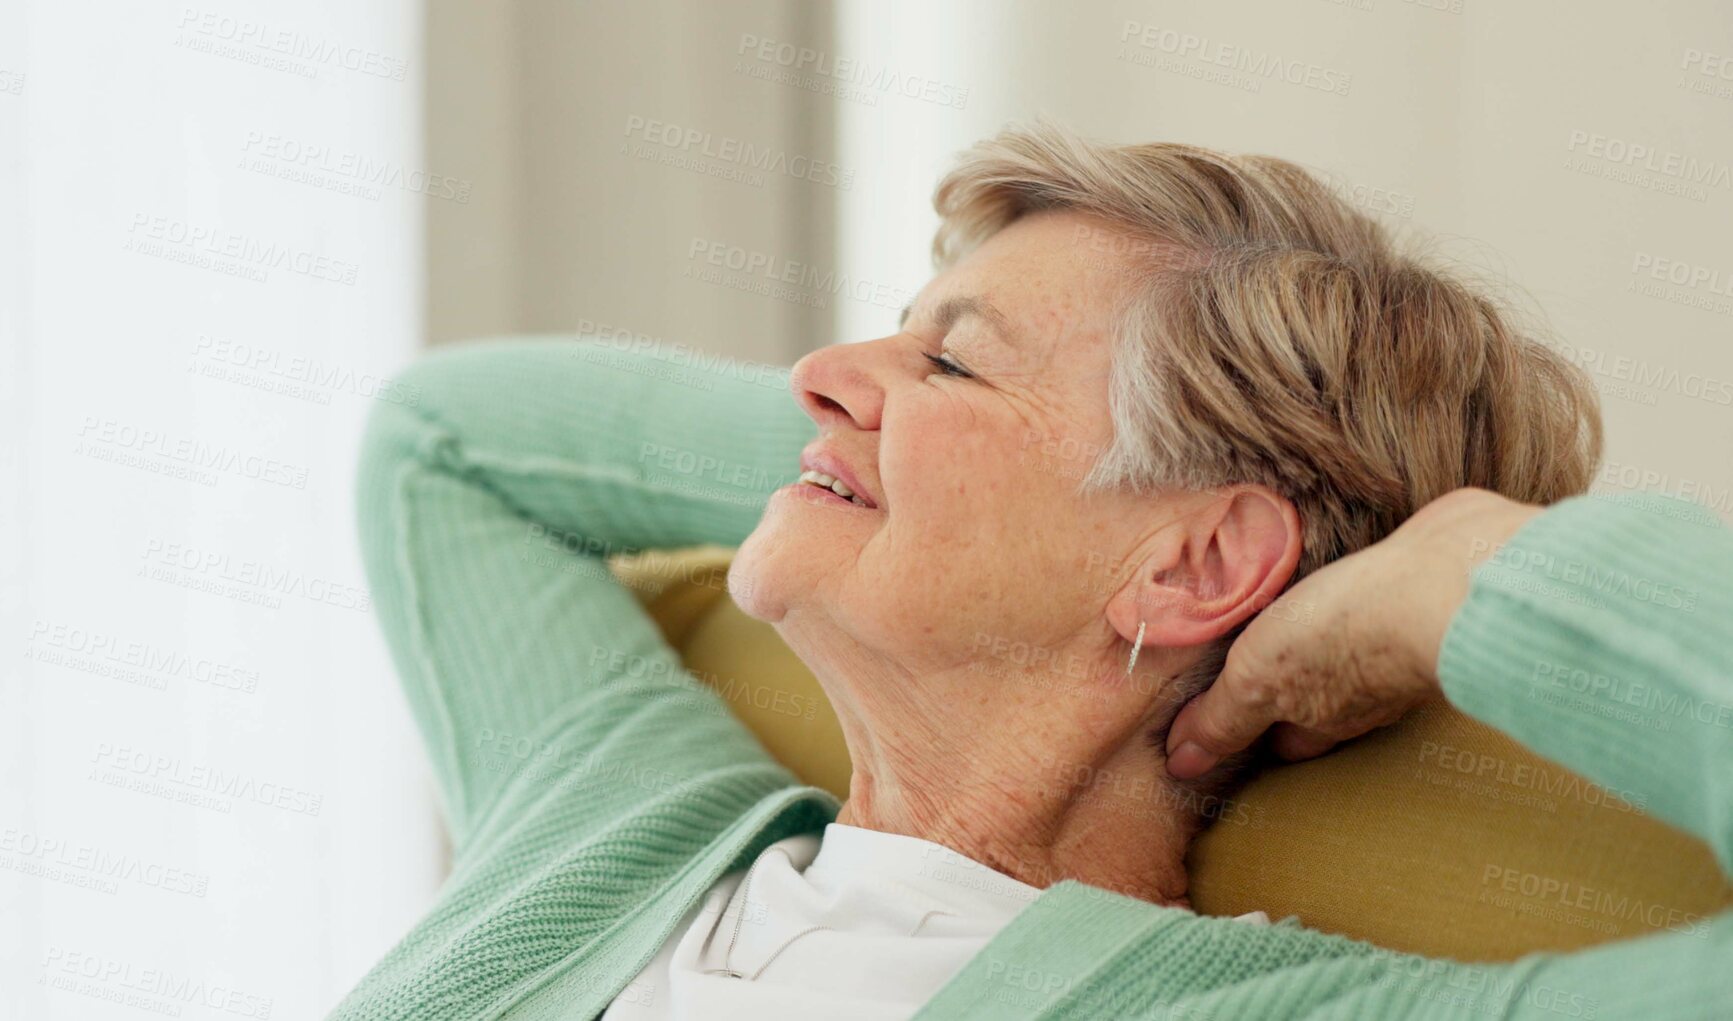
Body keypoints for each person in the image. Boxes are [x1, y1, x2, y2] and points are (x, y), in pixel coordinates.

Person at [328, 124, 1731, 1019]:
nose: (814, 378)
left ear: (1194, 562)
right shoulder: (612, 811)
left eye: (948, 359)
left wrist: (1469, 574)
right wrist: (870, 460)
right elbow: (444, 441)